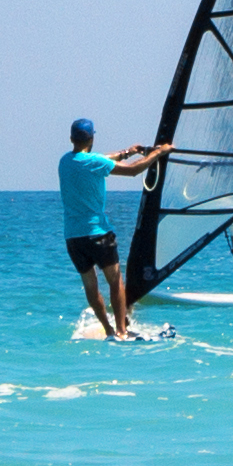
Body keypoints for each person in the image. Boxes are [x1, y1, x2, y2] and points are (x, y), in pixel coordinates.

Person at [58, 119, 178, 340]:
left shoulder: (65, 161)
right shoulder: (94, 162)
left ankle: (109, 330)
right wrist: (159, 153)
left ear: (71, 139)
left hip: (73, 238)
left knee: (91, 286)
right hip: (98, 234)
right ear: (91, 138)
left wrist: (127, 152)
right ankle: (122, 331)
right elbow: (133, 171)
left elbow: (101, 159)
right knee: (115, 281)